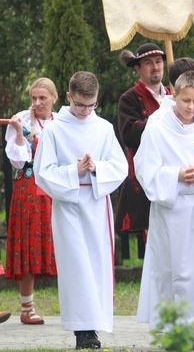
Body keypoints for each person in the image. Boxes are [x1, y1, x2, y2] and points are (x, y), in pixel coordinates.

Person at [33, 71, 128, 350]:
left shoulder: (103, 128)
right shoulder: (54, 129)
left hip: (97, 203)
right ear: (68, 97)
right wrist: (74, 170)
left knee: (96, 265)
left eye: (91, 105)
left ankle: (94, 325)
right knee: (77, 267)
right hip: (69, 206)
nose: (85, 111)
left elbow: (120, 166)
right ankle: (83, 332)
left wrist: (98, 167)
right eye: (79, 105)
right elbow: (43, 173)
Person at [134, 71, 194, 331]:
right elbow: (145, 168)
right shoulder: (157, 123)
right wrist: (178, 175)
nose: (191, 107)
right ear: (174, 96)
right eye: (186, 101)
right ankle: (176, 327)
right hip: (171, 207)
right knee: (175, 268)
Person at [4, 77, 58, 325]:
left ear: (54, 98)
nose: (37, 102)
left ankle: (75, 305)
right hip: (28, 188)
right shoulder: (22, 119)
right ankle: (27, 307)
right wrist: (17, 133)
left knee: (61, 242)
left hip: (56, 187)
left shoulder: (62, 122)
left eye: (42, 98)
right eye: (34, 97)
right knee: (29, 243)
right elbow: (18, 161)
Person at [115, 42, 169, 237]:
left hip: (172, 175)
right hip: (145, 176)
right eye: (148, 63)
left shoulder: (174, 95)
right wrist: (160, 118)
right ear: (137, 68)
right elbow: (129, 135)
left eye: (158, 61)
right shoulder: (129, 98)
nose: (155, 67)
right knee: (153, 244)